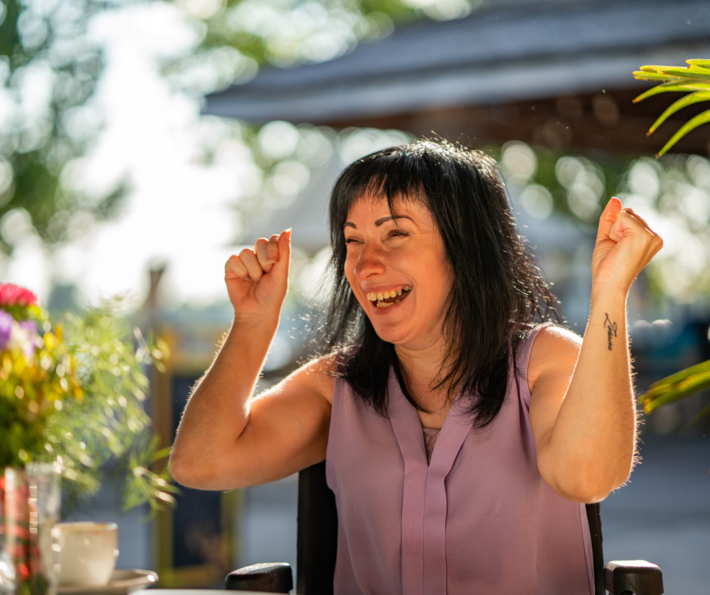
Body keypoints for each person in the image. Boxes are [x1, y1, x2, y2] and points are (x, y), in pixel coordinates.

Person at [169, 140, 663, 595]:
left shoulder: (546, 360)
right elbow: (199, 463)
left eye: (395, 234)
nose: (365, 265)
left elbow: (587, 477)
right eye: (353, 241)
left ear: (466, 248)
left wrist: (611, 292)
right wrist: (254, 323)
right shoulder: (335, 385)